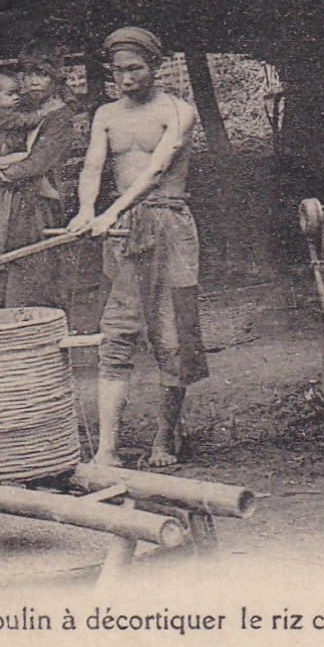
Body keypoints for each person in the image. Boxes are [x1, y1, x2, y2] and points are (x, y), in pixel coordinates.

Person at [67, 27, 203, 469]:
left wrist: (111, 213)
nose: (126, 78)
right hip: (125, 232)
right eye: (118, 70)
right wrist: (88, 209)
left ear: (155, 66)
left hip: (171, 229)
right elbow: (93, 165)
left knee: (173, 336)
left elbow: (157, 171)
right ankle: (107, 447)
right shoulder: (106, 114)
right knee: (118, 334)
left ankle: (166, 440)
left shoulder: (179, 112)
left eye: (135, 68)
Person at [0, 51, 81, 310]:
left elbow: (40, 162)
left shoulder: (60, 116)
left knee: (33, 269)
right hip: (7, 199)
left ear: (56, 78)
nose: (34, 81)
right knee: (0, 265)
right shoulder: (16, 108)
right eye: (30, 74)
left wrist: (2, 173)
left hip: (38, 202)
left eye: (42, 75)